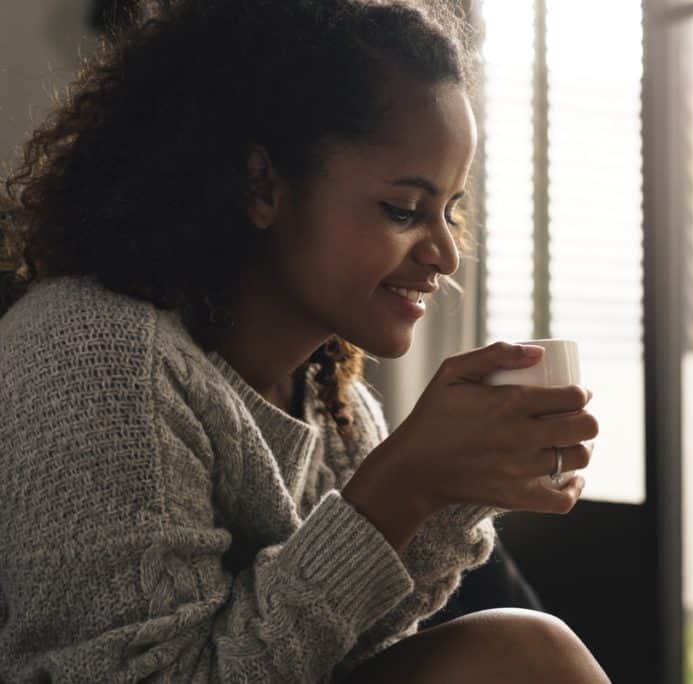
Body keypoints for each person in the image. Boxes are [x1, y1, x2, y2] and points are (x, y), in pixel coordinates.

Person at [0, 0, 608, 681]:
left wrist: (447, 489)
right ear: (263, 184)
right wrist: (400, 483)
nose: (444, 253)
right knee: (525, 652)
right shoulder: (94, 357)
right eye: (404, 209)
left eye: (450, 211)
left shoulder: (340, 412)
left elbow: (343, 653)